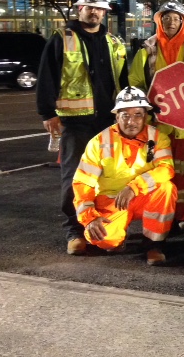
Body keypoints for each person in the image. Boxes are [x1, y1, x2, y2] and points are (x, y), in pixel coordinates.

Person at [36, 0, 128, 255]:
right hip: (76, 122)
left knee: (109, 177)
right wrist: (47, 113)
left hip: (108, 123)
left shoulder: (113, 42)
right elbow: (47, 76)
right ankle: (75, 231)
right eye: (91, 7)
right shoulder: (62, 39)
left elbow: (123, 82)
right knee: (75, 177)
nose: (95, 13)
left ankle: (104, 227)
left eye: (100, 9)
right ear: (79, 8)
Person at [129, 0, 184, 229]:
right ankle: (161, 214)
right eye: (166, 18)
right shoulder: (146, 51)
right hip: (158, 125)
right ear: (159, 21)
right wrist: (146, 106)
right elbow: (135, 82)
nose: (171, 23)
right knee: (159, 172)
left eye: (176, 19)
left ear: (183, 22)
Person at [72, 87, 177, 266]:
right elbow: (82, 183)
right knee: (102, 239)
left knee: (167, 188)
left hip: (142, 197)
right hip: (111, 201)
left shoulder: (159, 138)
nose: (131, 121)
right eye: (125, 115)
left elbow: (166, 169)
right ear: (116, 116)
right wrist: (89, 217)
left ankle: (153, 245)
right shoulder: (99, 142)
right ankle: (118, 237)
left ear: (146, 116)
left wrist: (133, 187)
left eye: (137, 114)